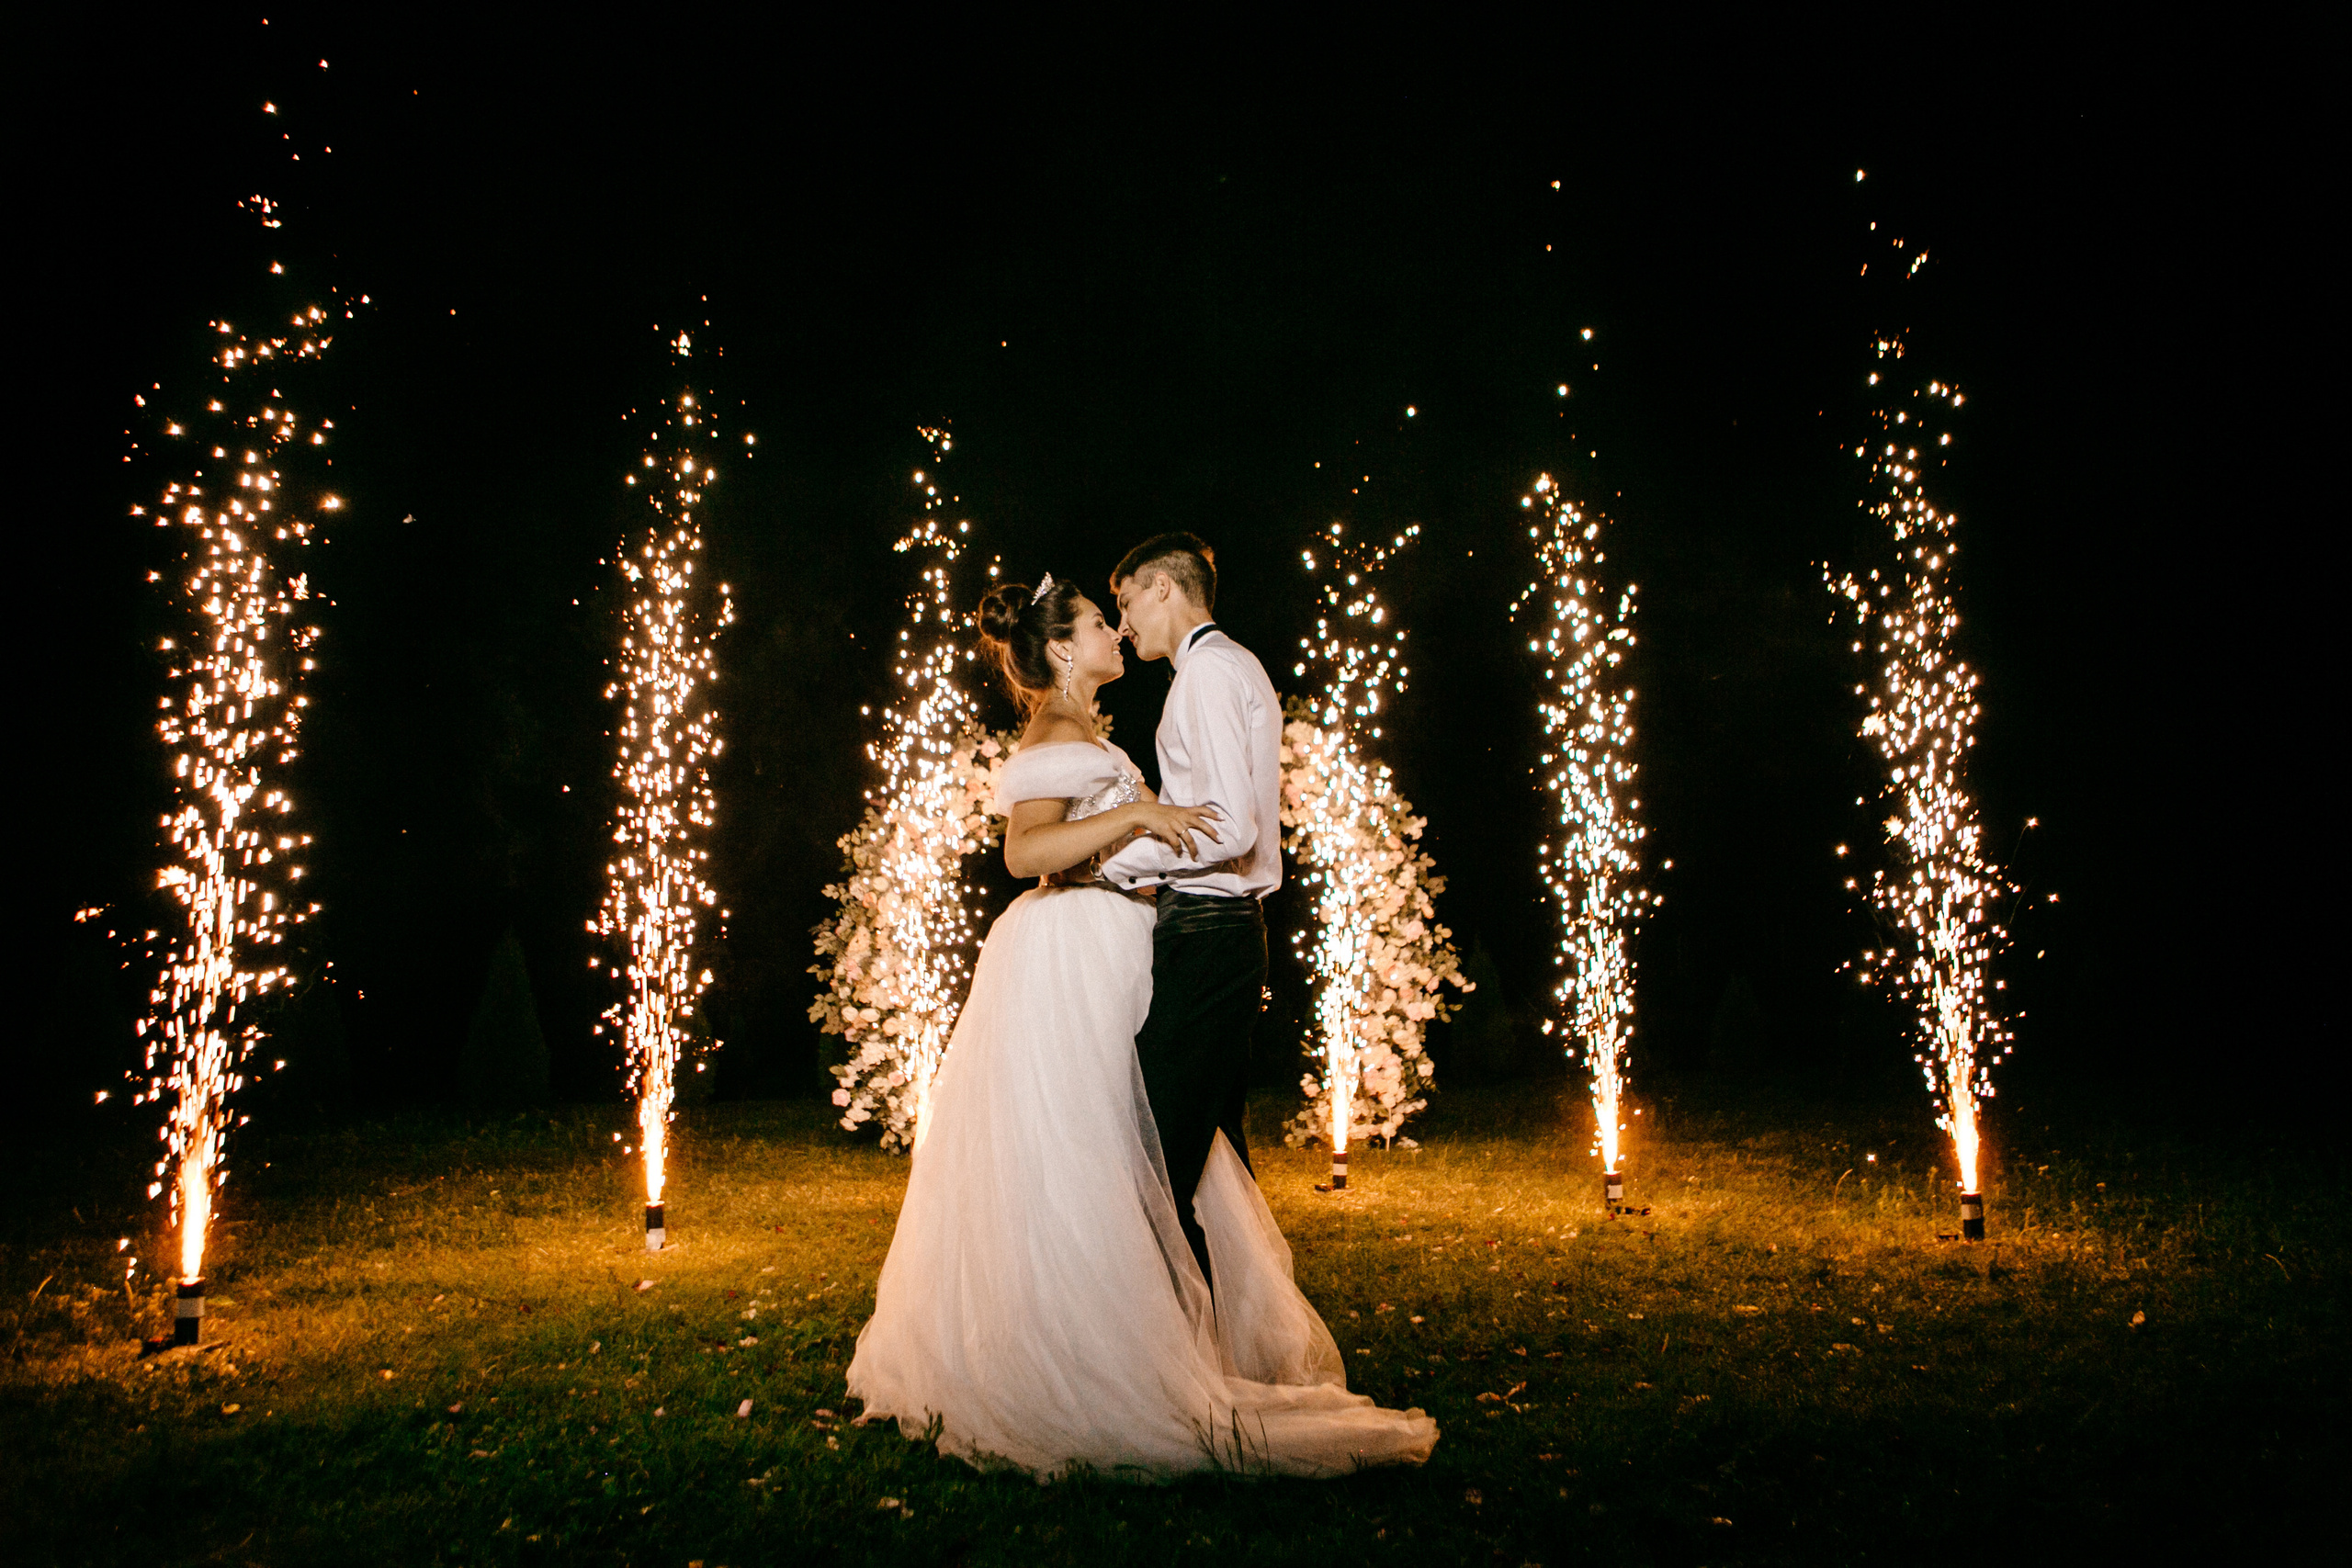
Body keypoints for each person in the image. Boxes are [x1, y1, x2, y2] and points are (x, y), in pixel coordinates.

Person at [844, 571, 1436, 1479]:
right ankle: (1089, 1353)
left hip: (1120, 936)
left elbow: (1122, 836)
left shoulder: (1087, 731)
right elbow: (1023, 852)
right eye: (1094, 623)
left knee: (1146, 1141)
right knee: (1098, 1146)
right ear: (1059, 650)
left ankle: (1161, 1334)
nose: (1114, 632)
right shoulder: (1051, 734)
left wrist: (1171, 836)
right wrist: (1137, 812)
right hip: (1070, 950)